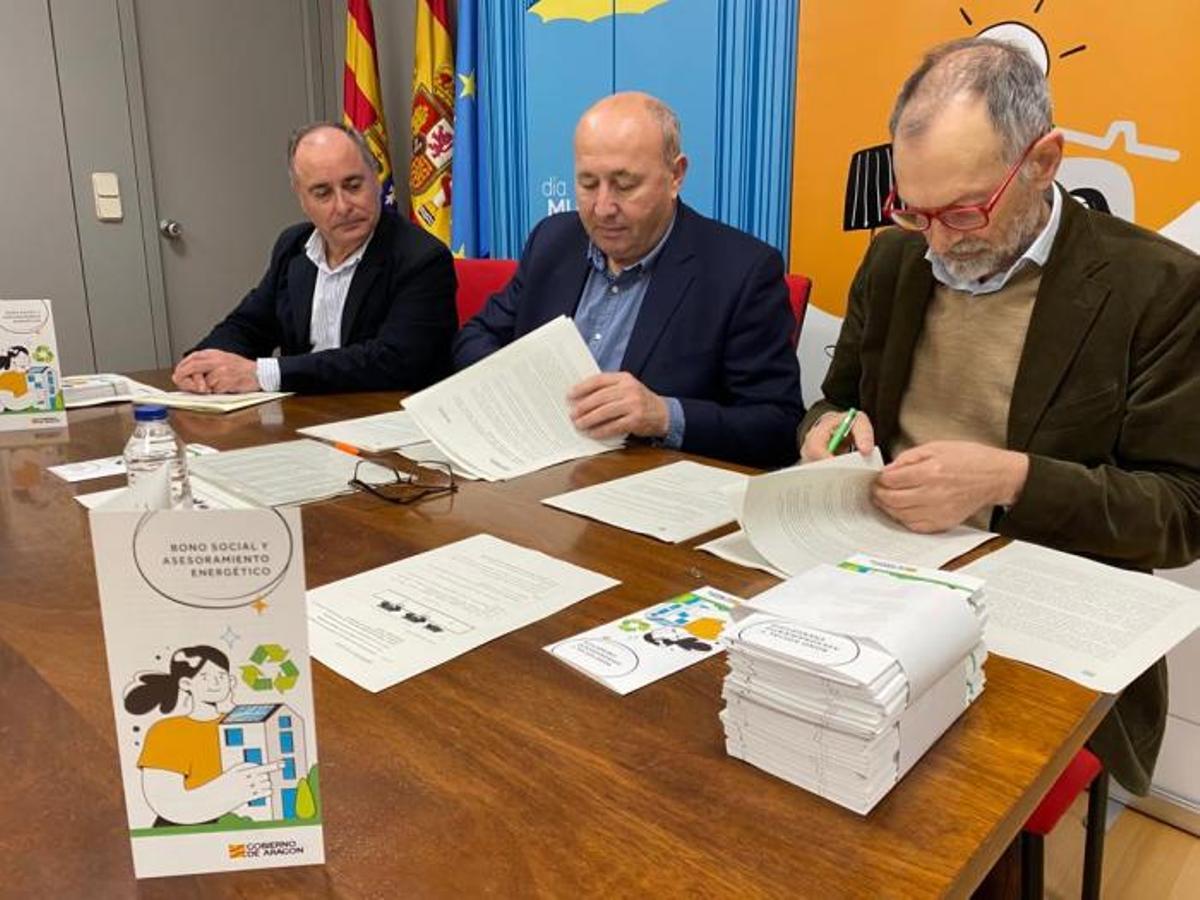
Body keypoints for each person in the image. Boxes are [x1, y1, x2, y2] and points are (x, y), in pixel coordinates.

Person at [797, 38, 1200, 795]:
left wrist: (1015, 478)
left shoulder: (1160, 287)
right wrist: (825, 431)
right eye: (915, 211)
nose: (941, 242)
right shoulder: (894, 261)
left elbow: (1183, 512)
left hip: (1038, 614)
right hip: (878, 579)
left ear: (1044, 161)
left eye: (965, 210)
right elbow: (838, 399)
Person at [452, 93, 803, 469]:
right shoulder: (553, 240)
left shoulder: (741, 271)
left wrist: (664, 416)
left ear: (676, 175)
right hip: (532, 469)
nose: (603, 208)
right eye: (588, 184)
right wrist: (521, 382)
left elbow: (777, 428)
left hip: (648, 491)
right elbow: (474, 338)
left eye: (624, 185)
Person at [173, 123, 456, 395]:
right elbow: (248, 325)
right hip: (304, 418)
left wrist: (264, 374)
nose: (343, 206)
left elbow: (394, 362)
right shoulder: (293, 246)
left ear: (376, 179)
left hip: (385, 419)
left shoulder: (422, 258)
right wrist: (203, 363)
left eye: (354, 185)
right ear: (302, 199)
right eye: (323, 193)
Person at [124, 645, 279, 826]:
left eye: (221, 676)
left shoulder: (245, 722)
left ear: (231, 680)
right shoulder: (167, 731)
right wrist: (230, 790)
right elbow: (165, 801)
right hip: (184, 827)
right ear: (186, 684)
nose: (216, 683)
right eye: (205, 677)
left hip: (240, 820)